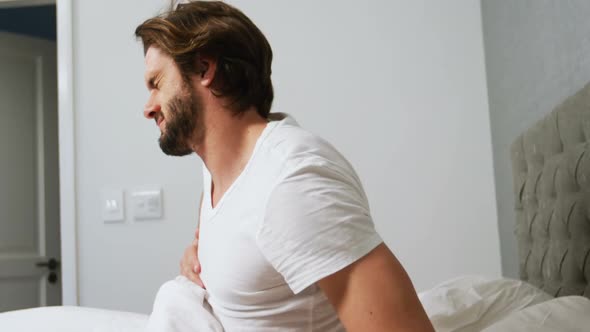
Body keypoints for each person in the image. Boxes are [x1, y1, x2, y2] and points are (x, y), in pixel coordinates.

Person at [135, 1, 434, 331]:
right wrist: (197, 257)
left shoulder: (292, 180)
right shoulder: (220, 168)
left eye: (157, 83)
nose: (148, 109)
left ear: (205, 69)